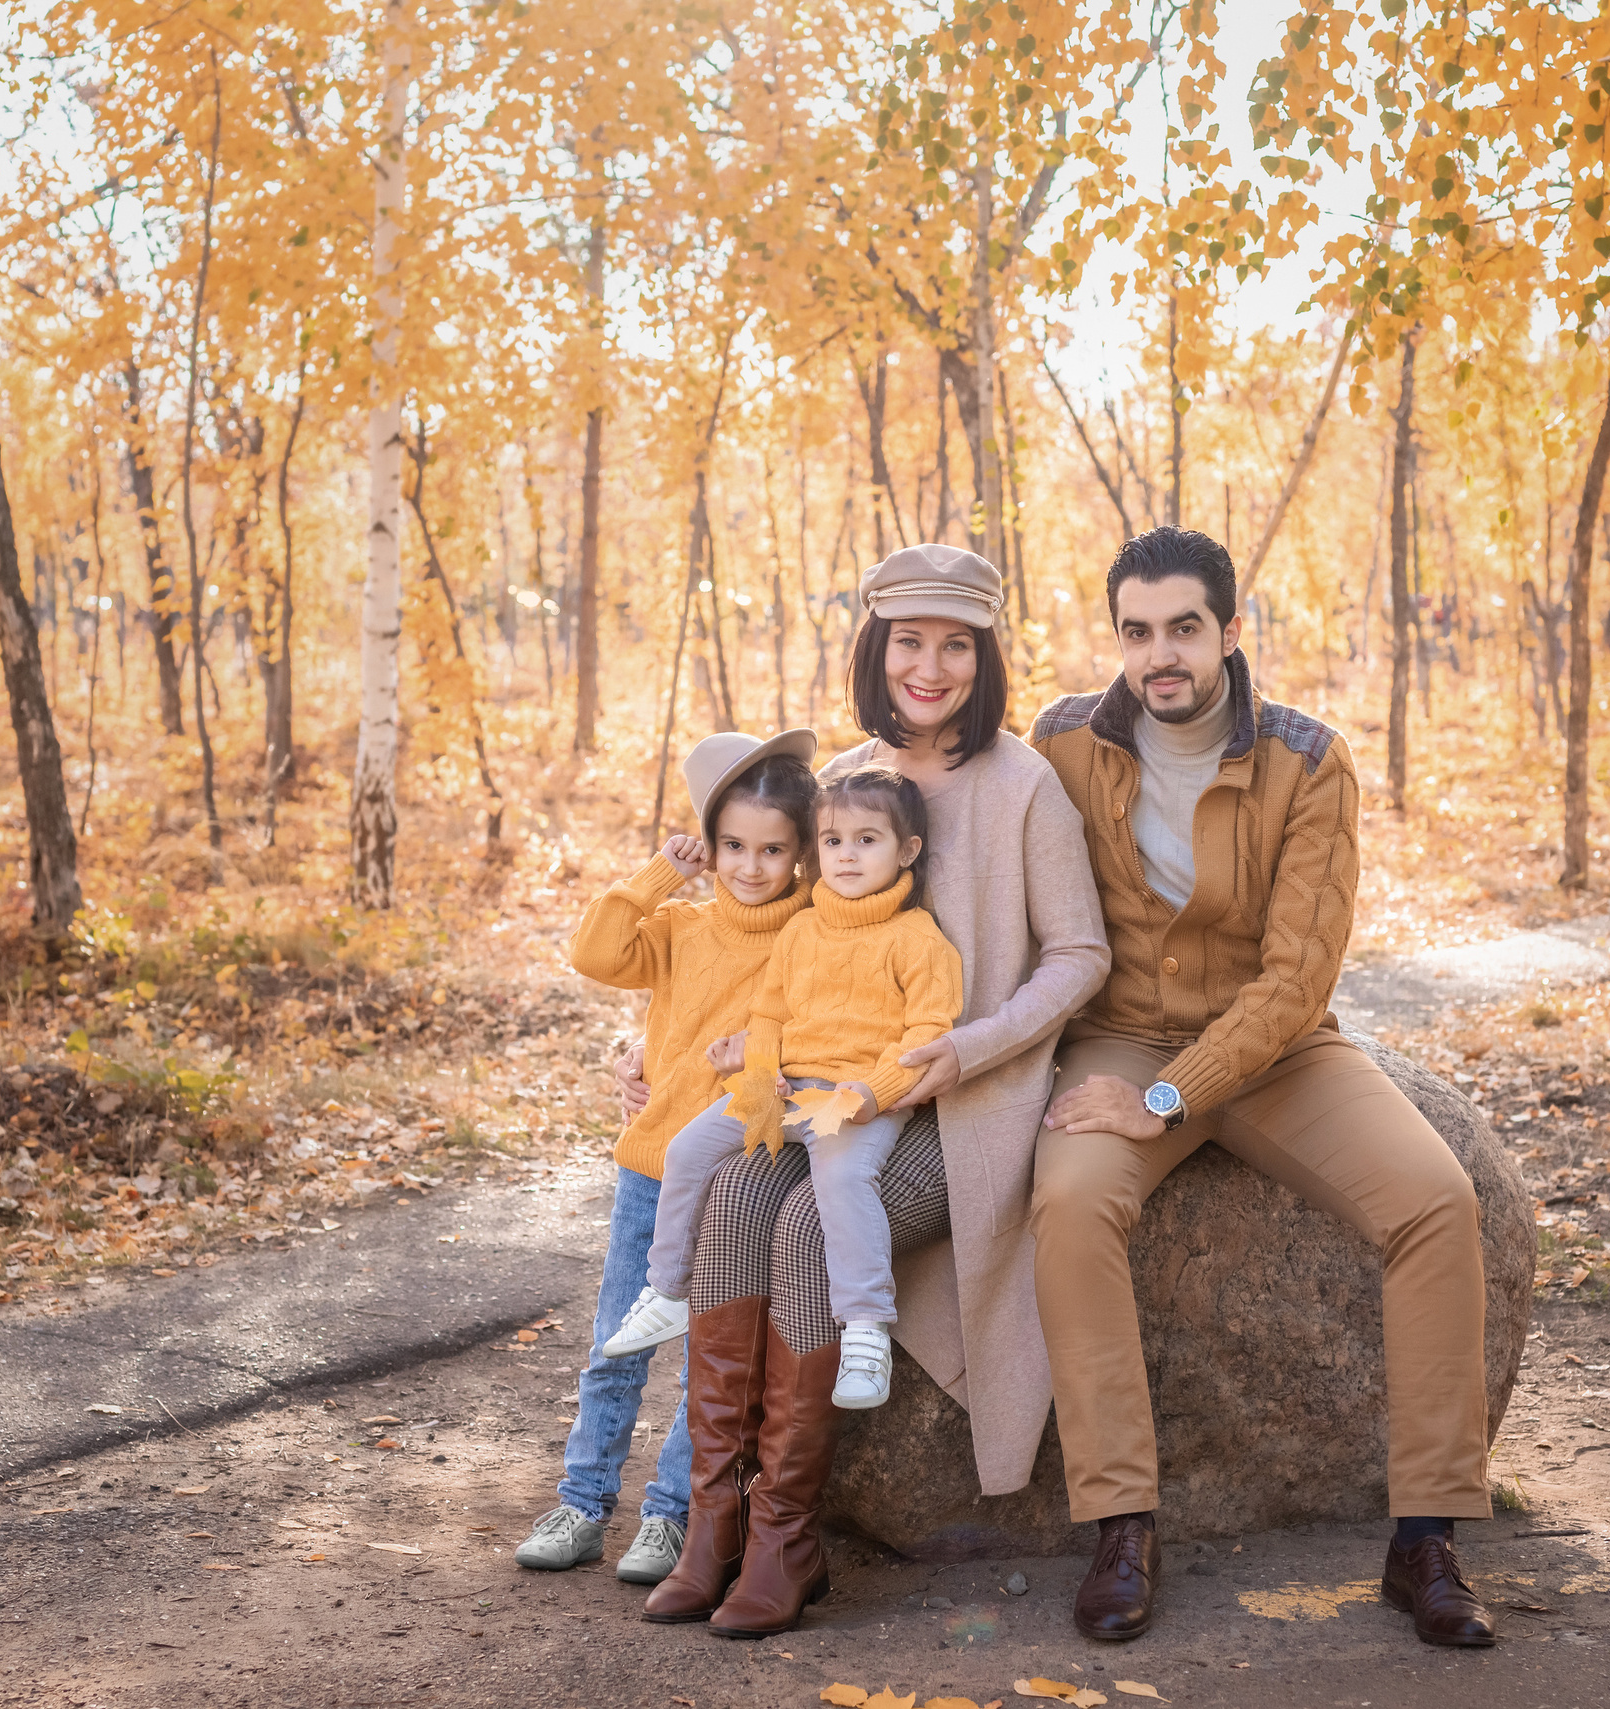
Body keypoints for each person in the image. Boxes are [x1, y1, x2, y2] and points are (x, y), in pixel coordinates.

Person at [1026, 526, 1496, 1648]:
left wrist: (1169, 1099)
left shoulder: (1306, 759)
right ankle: (1123, 1525)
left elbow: (1296, 978)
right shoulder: (1060, 743)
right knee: (1072, 1203)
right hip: (1123, 1037)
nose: (1159, 655)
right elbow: (936, 824)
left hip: (1279, 1052)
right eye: (1136, 631)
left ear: (1231, 632)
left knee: (1439, 1204)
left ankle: (1424, 1537)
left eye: (1183, 627)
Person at [637, 544, 1110, 1639]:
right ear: (876, 645)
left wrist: (974, 1045)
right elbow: (770, 943)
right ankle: (721, 1518)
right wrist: (675, 1045)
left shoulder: (1023, 783)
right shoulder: (845, 774)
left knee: (806, 1222)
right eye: (910, 639)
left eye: (956, 643)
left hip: (958, 1105)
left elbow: (1079, 955)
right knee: (736, 1194)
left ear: (984, 654)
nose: (930, 665)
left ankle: (788, 1534)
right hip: (818, 1089)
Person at [522, 729, 817, 1582]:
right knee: (618, 1339)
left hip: (740, 1176)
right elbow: (595, 951)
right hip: (652, 1168)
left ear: (801, 854)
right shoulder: (683, 924)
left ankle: (668, 1514)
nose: (751, 867)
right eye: (733, 846)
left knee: (709, 1356)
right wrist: (661, 872)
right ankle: (582, 1501)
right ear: (710, 843)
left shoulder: (808, 935)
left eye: (772, 849)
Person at [606, 766, 964, 1414]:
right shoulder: (802, 930)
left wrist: (871, 1092)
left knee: (841, 1180)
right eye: (832, 842)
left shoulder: (918, 940)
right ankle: (665, 1290)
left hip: (855, 1096)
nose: (846, 855)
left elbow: (925, 1035)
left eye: (867, 840)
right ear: (814, 852)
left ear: (907, 850)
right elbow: (767, 1013)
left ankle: (864, 1326)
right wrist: (760, 1071)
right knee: (689, 1150)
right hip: (782, 1085)